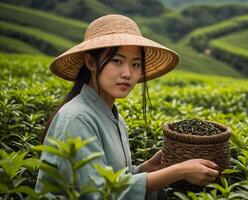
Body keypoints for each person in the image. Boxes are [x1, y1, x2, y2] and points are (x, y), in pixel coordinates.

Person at [35, 14, 219, 199]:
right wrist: (178, 171)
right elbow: (96, 192)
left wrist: (146, 168)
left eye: (136, 64)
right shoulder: (77, 118)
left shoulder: (114, 117)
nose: (127, 73)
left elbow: (114, 177)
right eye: (117, 61)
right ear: (90, 62)